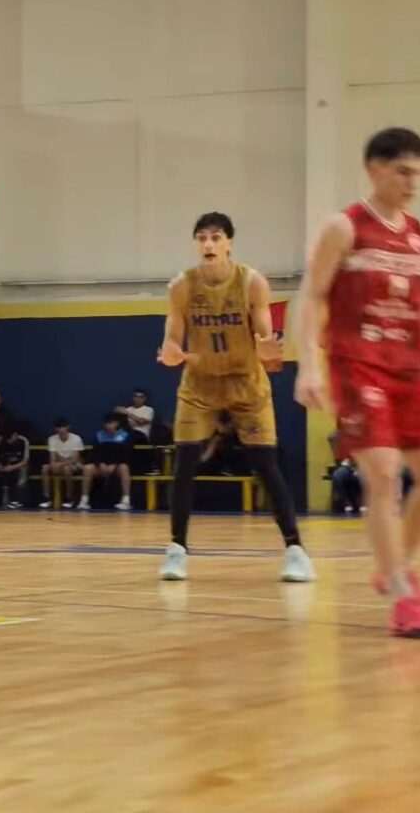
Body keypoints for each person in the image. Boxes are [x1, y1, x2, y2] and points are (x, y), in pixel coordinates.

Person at [295, 126, 420, 637]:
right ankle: (402, 595)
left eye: (418, 174)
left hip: (408, 367)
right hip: (358, 365)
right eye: (403, 172)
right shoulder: (345, 227)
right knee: (383, 474)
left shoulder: (417, 232)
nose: (413, 184)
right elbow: (312, 295)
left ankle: (396, 567)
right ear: (375, 169)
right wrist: (309, 364)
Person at [158, 212, 314, 583]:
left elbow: (264, 338)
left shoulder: (252, 282)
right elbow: (171, 341)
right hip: (201, 382)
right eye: (202, 238)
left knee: (265, 463)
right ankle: (176, 549)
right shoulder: (181, 286)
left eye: (216, 237)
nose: (208, 244)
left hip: (246, 380)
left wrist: (268, 349)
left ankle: (296, 551)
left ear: (229, 243)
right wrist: (170, 354)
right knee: (185, 461)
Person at [77, 414, 132, 512]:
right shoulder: (99, 436)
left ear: (116, 424)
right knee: (87, 468)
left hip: (116, 466)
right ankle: (84, 500)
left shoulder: (125, 436)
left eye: (111, 423)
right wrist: (100, 464)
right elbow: (95, 453)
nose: (108, 426)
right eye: (106, 424)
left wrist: (114, 464)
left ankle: (126, 501)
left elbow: (126, 454)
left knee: (124, 468)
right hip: (101, 466)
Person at [41, 418, 83, 509]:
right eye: (59, 427)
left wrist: (62, 464)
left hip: (74, 464)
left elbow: (76, 459)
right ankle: (47, 498)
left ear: (68, 427)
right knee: (45, 468)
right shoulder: (52, 439)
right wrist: (53, 465)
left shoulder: (76, 438)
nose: (61, 429)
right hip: (59, 464)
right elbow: (52, 458)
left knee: (67, 469)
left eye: (63, 427)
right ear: (56, 429)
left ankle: (69, 498)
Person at [0, 427, 30, 509]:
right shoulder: (1, 441)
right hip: (5, 465)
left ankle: (18, 501)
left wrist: (13, 467)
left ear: (15, 435)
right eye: (8, 440)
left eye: (11, 439)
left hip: (19, 465)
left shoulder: (23, 441)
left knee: (21, 476)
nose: (9, 441)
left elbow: (25, 461)